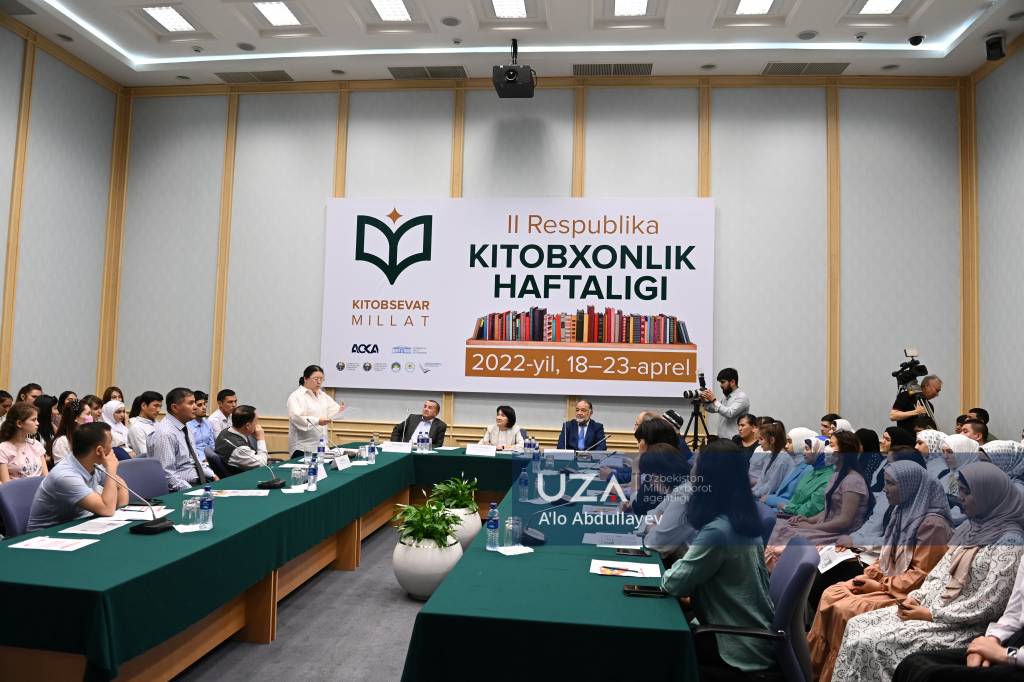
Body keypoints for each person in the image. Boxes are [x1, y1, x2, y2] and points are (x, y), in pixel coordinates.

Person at [831, 463, 1024, 682]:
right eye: (960, 490)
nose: (960, 497)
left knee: (872, 642)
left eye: (966, 492)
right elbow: (939, 574)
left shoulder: (1010, 541)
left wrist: (931, 614)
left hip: (961, 625)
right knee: (856, 625)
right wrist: (917, 599)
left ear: (988, 495)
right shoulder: (971, 527)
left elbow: (989, 604)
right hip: (932, 608)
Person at [809, 461, 954, 682]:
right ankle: (816, 670)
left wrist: (881, 585)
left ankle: (837, 673)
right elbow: (887, 556)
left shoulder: (932, 524)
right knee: (831, 593)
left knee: (848, 608)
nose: (884, 489)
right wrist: (870, 575)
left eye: (890, 484)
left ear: (909, 486)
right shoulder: (902, 510)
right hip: (890, 582)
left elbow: (922, 574)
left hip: (907, 592)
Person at [661, 440, 775, 675]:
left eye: (697, 466)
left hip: (734, 643)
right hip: (747, 633)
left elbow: (673, 583)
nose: (692, 471)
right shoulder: (741, 518)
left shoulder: (719, 531)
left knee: (654, 644)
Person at [894, 557, 1024, 680]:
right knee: (912, 663)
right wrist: (990, 641)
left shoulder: (1010, 548)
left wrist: (1005, 654)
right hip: (1009, 640)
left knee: (931, 675)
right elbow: (1014, 613)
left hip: (964, 625)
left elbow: (986, 605)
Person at [765, 431, 869, 569]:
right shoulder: (837, 475)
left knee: (792, 536)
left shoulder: (853, 481)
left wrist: (812, 527)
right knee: (783, 527)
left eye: (831, 445)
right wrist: (809, 520)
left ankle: (776, 575)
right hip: (826, 526)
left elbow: (844, 521)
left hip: (838, 533)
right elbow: (828, 510)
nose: (827, 448)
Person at [25, 422, 129, 532]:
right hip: (47, 535)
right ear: (99, 450)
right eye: (110, 444)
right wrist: (111, 469)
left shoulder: (92, 463)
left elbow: (121, 487)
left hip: (77, 526)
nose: (112, 449)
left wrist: (121, 516)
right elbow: (106, 509)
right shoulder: (65, 476)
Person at [146, 387, 216, 491]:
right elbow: (167, 475)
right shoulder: (166, 433)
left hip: (199, 481)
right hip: (181, 489)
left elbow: (195, 460)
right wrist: (191, 490)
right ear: (175, 408)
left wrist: (213, 475)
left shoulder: (185, 427)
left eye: (194, 403)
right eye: (191, 403)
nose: (195, 407)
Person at [636, 445, 696, 557]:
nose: (651, 482)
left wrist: (651, 526)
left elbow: (655, 543)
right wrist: (655, 525)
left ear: (664, 474)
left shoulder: (683, 495)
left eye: (652, 477)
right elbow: (649, 516)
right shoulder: (677, 490)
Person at [628, 423, 687, 515]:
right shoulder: (676, 460)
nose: (638, 445)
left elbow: (639, 508)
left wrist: (635, 471)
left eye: (640, 441)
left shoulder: (659, 471)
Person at [287, 365, 345, 457]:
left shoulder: (322, 395)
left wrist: (340, 411)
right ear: (306, 379)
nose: (319, 382)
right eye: (316, 379)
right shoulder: (296, 396)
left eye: (321, 379)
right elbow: (297, 418)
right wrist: (317, 421)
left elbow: (333, 411)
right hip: (303, 449)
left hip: (322, 448)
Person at [762, 429, 823, 511]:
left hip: (786, 510)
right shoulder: (795, 463)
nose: (786, 446)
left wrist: (769, 499)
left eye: (790, 442)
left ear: (800, 443)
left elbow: (798, 501)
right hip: (778, 507)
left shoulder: (809, 468)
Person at [0, 402, 48, 482]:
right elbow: (6, 484)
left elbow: (46, 477)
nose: (37, 423)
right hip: (16, 489)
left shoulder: (36, 444)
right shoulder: (3, 449)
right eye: (33, 420)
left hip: (39, 488)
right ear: (19, 423)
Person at [214, 405, 268, 474]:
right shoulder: (240, 449)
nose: (258, 425)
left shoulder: (225, 431)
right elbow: (262, 464)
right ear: (247, 426)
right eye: (256, 421)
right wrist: (261, 439)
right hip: (245, 476)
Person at [699, 368, 750, 442]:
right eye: (720, 382)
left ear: (732, 382)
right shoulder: (727, 397)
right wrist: (704, 401)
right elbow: (714, 409)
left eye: (722, 382)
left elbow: (729, 413)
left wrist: (714, 400)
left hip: (734, 442)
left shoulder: (742, 397)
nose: (720, 385)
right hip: (722, 440)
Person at [751, 422, 793, 499]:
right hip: (761, 495)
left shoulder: (783, 459)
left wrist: (752, 494)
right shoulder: (770, 456)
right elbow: (761, 481)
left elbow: (771, 486)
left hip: (773, 497)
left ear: (772, 440)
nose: (759, 442)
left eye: (761, 439)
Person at [127, 391, 162, 456]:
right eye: (156, 406)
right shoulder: (136, 428)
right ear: (143, 406)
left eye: (160, 406)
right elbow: (145, 454)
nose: (158, 410)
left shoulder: (159, 424)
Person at [187, 391, 215, 460]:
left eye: (204, 404)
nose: (204, 407)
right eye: (199, 405)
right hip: (195, 460)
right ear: (192, 407)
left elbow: (212, 445)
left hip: (210, 458)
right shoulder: (187, 425)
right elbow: (189, 451)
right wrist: (203, 459)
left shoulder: (208, 423)